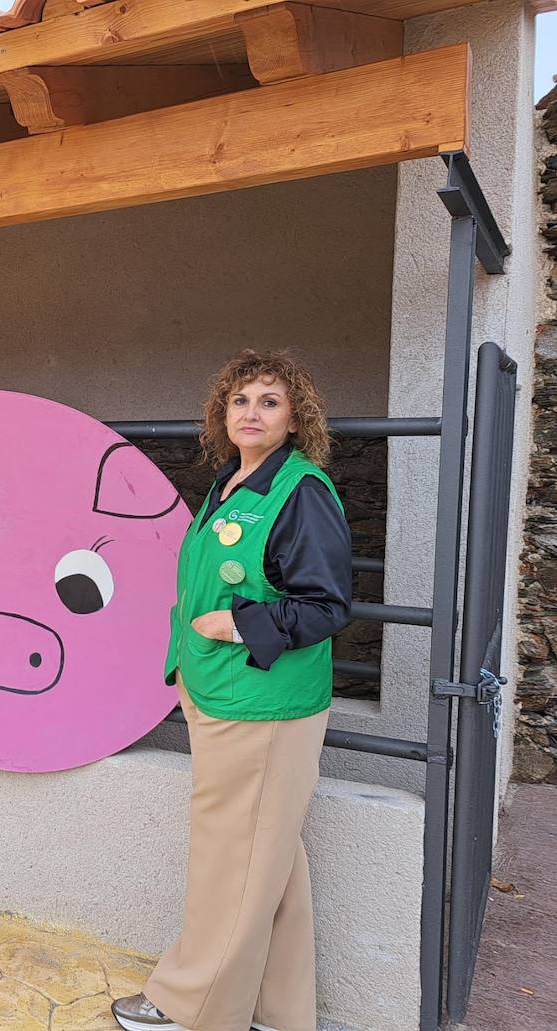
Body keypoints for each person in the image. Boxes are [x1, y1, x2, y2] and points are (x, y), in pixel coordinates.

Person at [112, 350, 352, 1031]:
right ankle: (278, 1009)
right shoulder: (232, 482)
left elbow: (327, 606)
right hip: (222, 694)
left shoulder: (301, 492)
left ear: (295, 418)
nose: (252, 411)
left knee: (231, 856)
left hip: (263, 704)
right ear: (222, 414)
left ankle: (190, 1005)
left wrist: (238, 622)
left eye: (269, 400)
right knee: (269, 856)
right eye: (240, 399)